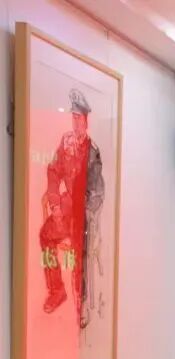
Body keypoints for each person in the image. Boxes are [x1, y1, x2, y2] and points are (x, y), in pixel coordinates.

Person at [39, 88, 104, 328]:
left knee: (79, 253)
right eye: (73, 118)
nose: (76, 123)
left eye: (79, 119)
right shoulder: (65, 142)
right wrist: (55, 203)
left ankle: (82, 301)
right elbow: (53, 171)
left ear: (86, 121)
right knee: (45, 236)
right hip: (66, 208)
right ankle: (57, 290)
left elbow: (97, 192)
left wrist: (85, 213)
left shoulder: (93, 152)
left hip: (83, 214)